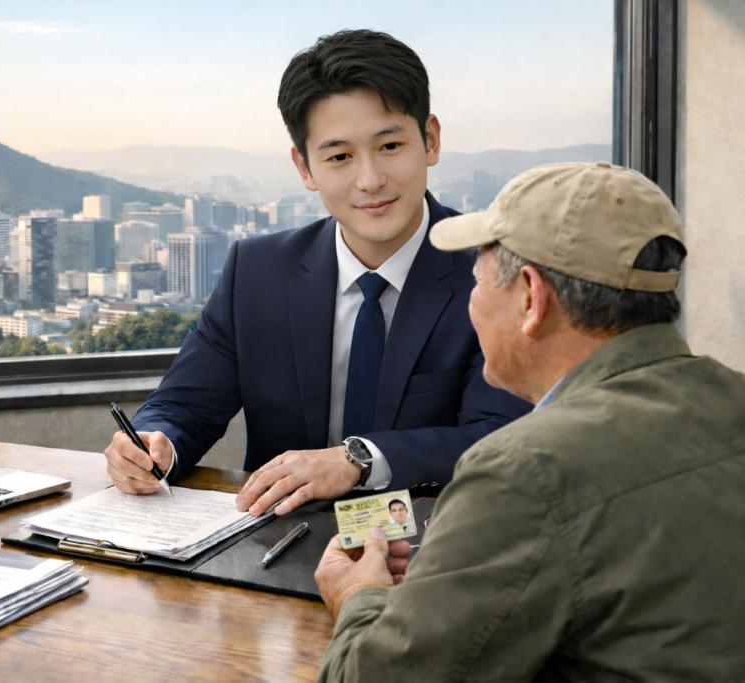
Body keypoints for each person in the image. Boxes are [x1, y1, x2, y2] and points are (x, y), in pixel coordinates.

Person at [313, 161, 745, 681]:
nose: (471, 304)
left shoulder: (522, 471)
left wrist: (357, 594)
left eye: (476, 283)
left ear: (531, 297)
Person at [103, 29, 530, 517]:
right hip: (278, 539)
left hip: (434, 541)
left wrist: (360, 461)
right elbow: (184, 405)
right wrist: (154, 444)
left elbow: (502, 437)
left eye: (390, 145)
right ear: (305, 167)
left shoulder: (495, 272)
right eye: (339, 157)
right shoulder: (256, 271)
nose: (370, 180)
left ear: (430, 139)